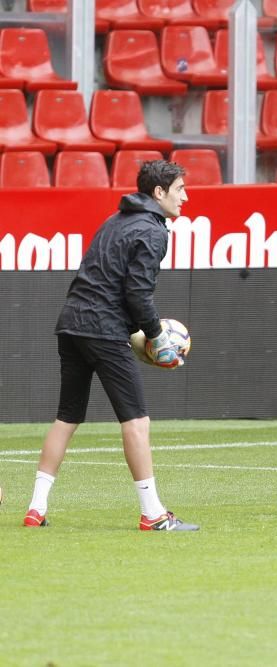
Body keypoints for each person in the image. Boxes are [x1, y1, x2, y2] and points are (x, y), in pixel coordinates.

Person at [24, 160, 198, 532]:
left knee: (66, 417)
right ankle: (153, 514)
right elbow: (137, 293)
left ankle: (35, 508)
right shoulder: (153, 231)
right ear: (159, 193)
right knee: (137, 420)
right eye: (180, 189)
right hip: (102, 329)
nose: (186, 197)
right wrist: (156, 337)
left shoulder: (115, 219)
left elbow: (105, 282)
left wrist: (136, 335)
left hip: (71, 325)